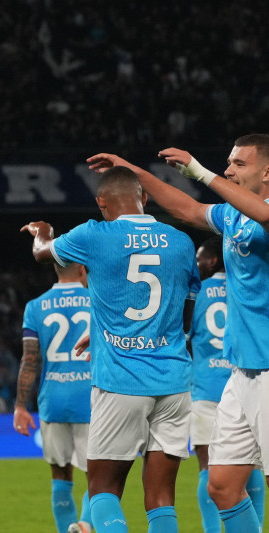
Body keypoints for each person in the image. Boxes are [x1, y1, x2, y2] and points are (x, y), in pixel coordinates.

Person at [88, 135, 269, 532]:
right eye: (227, 163)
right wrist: (132, 171)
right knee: (222, 486)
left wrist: (199, 170)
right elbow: (186, 208)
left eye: (239, 164)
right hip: (242, 370)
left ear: (267, 171)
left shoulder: (259, 213)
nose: (229, 171)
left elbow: (264, 214)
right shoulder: (234, 216)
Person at [22, 165, 200, 533]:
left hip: (121, 380)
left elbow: (42, 254)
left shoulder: (93, 234)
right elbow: (186, 317)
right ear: (144, 198)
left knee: (103, 489)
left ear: (101, 203)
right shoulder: (182, 241)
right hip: (175, 381)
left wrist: (43, 232)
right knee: (162, 498)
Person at [189, 236, 266, 532]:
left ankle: (212, 530)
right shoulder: (249, 284)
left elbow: (184, 333)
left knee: (209, 469)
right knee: (251, 466)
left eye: (200, 259)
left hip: (207, 388)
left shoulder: (198, 292)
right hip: (247, 382)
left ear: (213, 260)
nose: (196, 264)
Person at [14, 262, 93, 533]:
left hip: (54, 400)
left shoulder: (35, 306)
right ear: (81, 268)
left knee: (60, 475)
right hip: (93, 399)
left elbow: (29, 360)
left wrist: (20, 406)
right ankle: (85, 526)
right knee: (100, 477)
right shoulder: (98, 299)